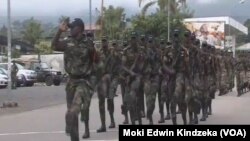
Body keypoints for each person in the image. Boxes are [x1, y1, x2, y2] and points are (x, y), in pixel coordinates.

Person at [52, 18, 96, 141]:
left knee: (73, 111)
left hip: (83, 82)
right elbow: (53, 46)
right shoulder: (67, 42)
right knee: (72, 116)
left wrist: (94, 82)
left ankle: (70, 120)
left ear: (80, 29)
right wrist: (59, 31)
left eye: (73, 27)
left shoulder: (88, 44)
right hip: (71, 82)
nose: (70, 29)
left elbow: (96, 61)